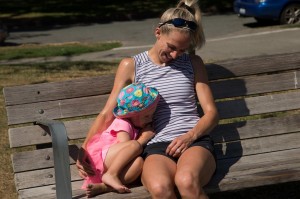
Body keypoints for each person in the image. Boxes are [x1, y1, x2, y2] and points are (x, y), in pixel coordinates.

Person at [77, 0, 219, 198]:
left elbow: (211, 114)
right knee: (160, 188)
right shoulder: (132, 65)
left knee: (186, 182)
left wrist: (190, 136)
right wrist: (85, 148)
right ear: (158, 32)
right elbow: (108, 112)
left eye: (182, 50)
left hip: (193, 141)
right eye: (171, 47)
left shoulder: (193, 63)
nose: (175, 55)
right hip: (155, 145)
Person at [79, 83, 159, 197]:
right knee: (135, 145)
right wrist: (143, 139)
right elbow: (126, 146)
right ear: (131, 115)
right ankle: (111, 174)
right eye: (146, 116)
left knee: (138, 163)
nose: (150, 119)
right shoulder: (123, 123)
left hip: (112, 161)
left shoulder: (135, 125)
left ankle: (104, 186)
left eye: (151, 115)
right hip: (104, 156)